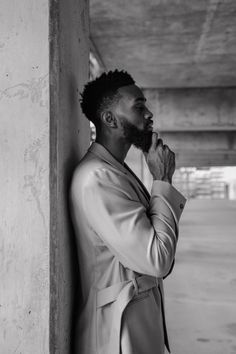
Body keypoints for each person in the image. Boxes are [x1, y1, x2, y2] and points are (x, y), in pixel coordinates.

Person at [70, 70, 186, 354]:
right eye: (139, 106)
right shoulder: (98, 177)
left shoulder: (115, 169)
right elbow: (157, 259)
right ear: (109, 119)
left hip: (135, 323)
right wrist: (162, 180)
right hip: (118, 335)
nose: (149, 115)